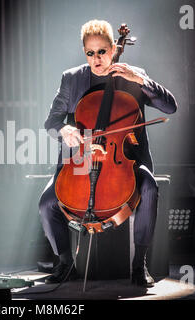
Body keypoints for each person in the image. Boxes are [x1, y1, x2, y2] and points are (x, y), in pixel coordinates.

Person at [39, 20, 178, 287]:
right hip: (80, 159)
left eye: (102, 51)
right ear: (84, 53)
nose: (96, 59)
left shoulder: (133, 75)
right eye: (90, 53)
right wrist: (66, 130)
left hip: (123, 160)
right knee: (47, 204)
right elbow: (52, 122)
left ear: (114, 48)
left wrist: (141, 80)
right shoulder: (71, 78)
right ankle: (66, 264)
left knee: (149, 187)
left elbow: (170, 107)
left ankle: (140, 264)